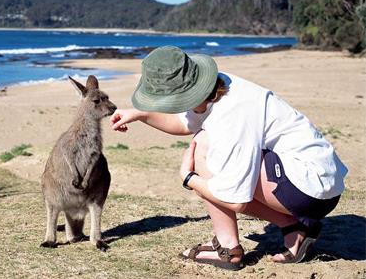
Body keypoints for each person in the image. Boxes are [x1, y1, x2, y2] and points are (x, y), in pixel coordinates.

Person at [110, 46, 347, 271]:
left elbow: (235, 199)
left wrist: (190, 178)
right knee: (204, 141)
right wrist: (141, 114)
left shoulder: (229, 116)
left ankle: (227, 248)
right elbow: (185, 123)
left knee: (203, 148)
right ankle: (293, 227)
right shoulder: (219, 86)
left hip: (309, 190)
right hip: (318, 179)